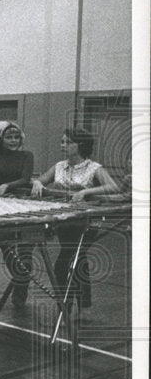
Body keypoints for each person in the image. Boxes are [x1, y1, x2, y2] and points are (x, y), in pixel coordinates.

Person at [31, 127, 119, 308]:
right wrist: (38, 183)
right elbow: (40, 179)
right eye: (62, 141)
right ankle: (83, 302)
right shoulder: (59, 166)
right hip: (64, 219)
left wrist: (87, 191)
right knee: (79, 257)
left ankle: (65, 304)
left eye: (67, 142)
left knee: (64, 262)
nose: (62, 145)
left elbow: (113, 187)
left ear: (80, 145)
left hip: (86, 220)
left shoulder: (94, 168)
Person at [0, 122, 35, 308]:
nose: (13, 140)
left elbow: (25, 178)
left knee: (26, 250)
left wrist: (7, 186)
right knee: (6, 245)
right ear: (1, 139)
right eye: (9, 137)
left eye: (16, 137)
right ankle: (19, 276)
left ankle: (20, 289)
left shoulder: (27, 155)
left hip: (24, 204)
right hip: (1, 205)